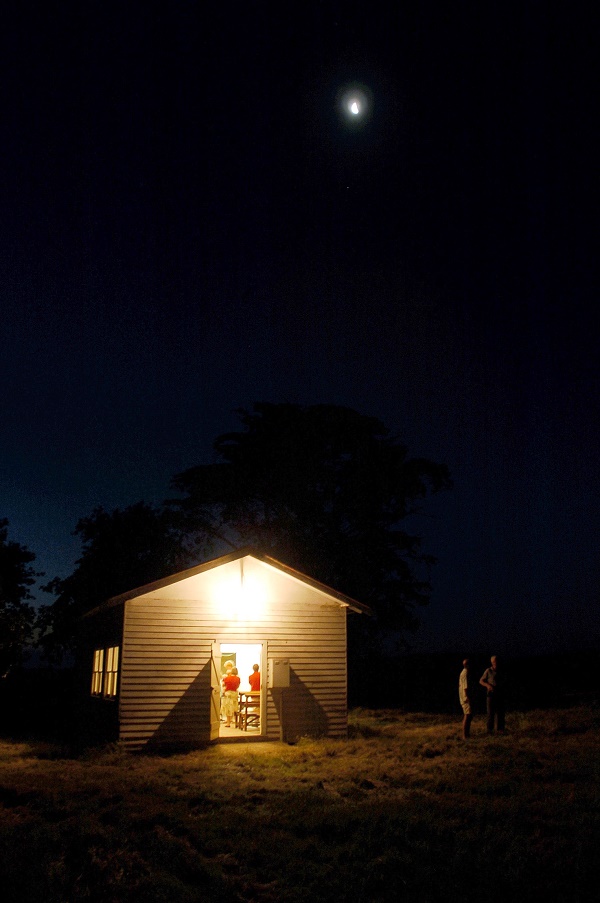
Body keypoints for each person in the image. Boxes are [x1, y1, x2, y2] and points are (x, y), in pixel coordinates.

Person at [479, 655, 506, 734]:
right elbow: (481, 681)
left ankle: (500, 730)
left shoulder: (501, 670)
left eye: (497, 661)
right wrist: (488, 685)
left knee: (500, 712)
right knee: (490, 713)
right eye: (494, 661)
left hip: (500, 694)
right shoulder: (488, 671)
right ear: (492, 662)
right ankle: (490, 730)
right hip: (491, 695)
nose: (496, 662)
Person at [458, 658, 473, 739]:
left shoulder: (463, 672)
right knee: (467, 715)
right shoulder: (465, 673)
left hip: (464, 697)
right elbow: (465, 687)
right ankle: (465, 735)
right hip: (465, 698)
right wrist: (467, 697)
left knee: (468, 715)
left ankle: (467, 734)